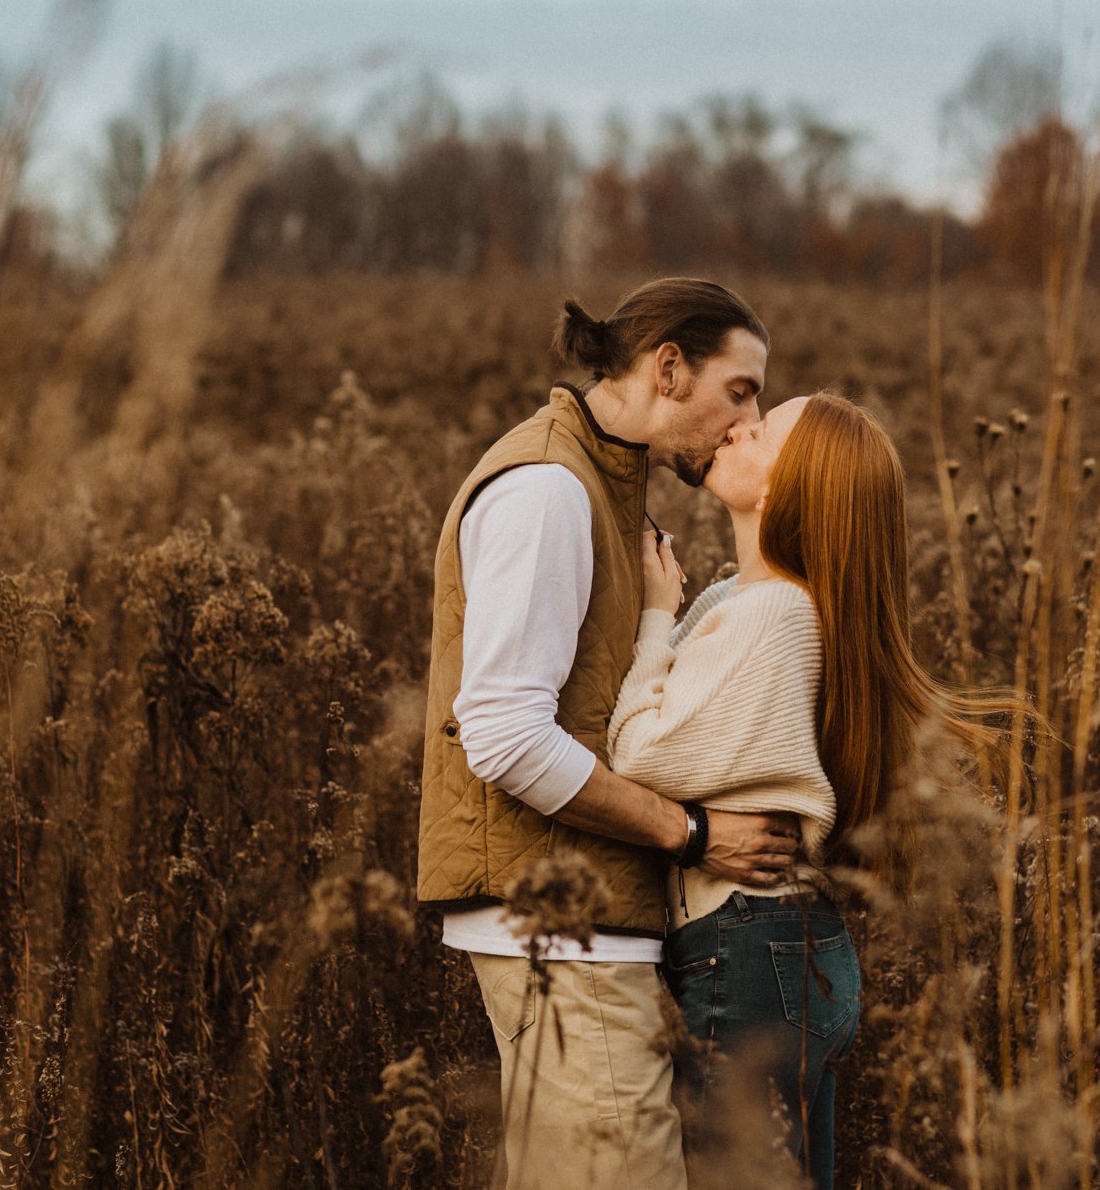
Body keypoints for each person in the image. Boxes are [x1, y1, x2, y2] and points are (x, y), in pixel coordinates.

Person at [416, 278, 805, 1190]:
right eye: (738, 389)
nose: (744, 418)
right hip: (562, 933)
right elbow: (505, 733)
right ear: (669, 368)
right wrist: (692, 831)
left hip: (580, 926)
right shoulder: (550, 487)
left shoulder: (601, 489)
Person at [609, 391, 1003, 1189]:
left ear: (798, 488)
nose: (737, 425)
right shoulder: (745, 599)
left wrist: (655, 616)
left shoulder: (775, 613)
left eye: (763, 431)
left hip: (748, 951)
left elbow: (638, 756)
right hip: (785, 950)